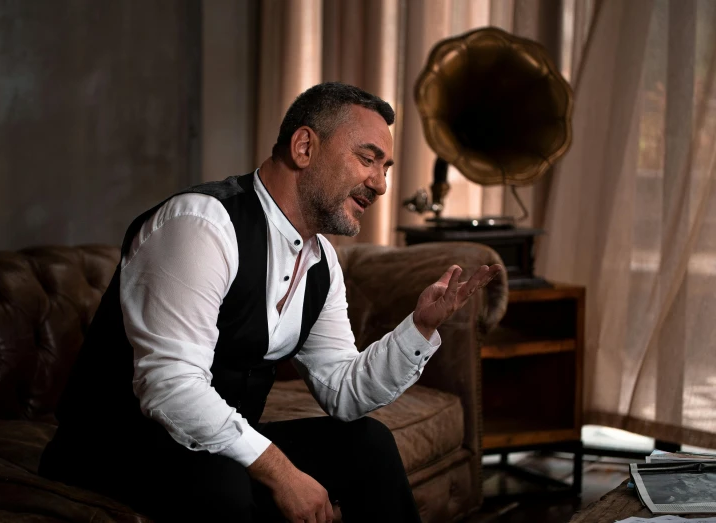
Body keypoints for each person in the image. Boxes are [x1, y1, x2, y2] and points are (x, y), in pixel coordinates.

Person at [39, 82, 502, 522]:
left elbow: (344, 392)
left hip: (210, 449)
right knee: (225, 485)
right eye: (368, 159)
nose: (380, 185)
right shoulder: (201, 226)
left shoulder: (322, 263)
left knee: (369, 446)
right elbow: (171, 386)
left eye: (385, 169)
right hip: (114, 447)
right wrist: (282, 474)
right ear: (304, 147)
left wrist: (419, 327)